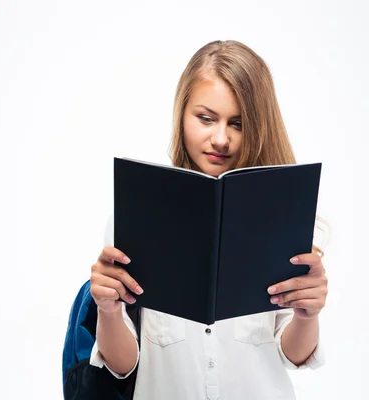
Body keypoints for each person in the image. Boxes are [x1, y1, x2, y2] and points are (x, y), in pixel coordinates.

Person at [88, 40, 328, 400]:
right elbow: (123, 365)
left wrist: (308, 316)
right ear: (182, 114)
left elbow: (290, 356)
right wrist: (107, 310)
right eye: (205, 118)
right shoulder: (138, 215)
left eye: (238, 123)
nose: (220, 139)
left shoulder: (280, 217)